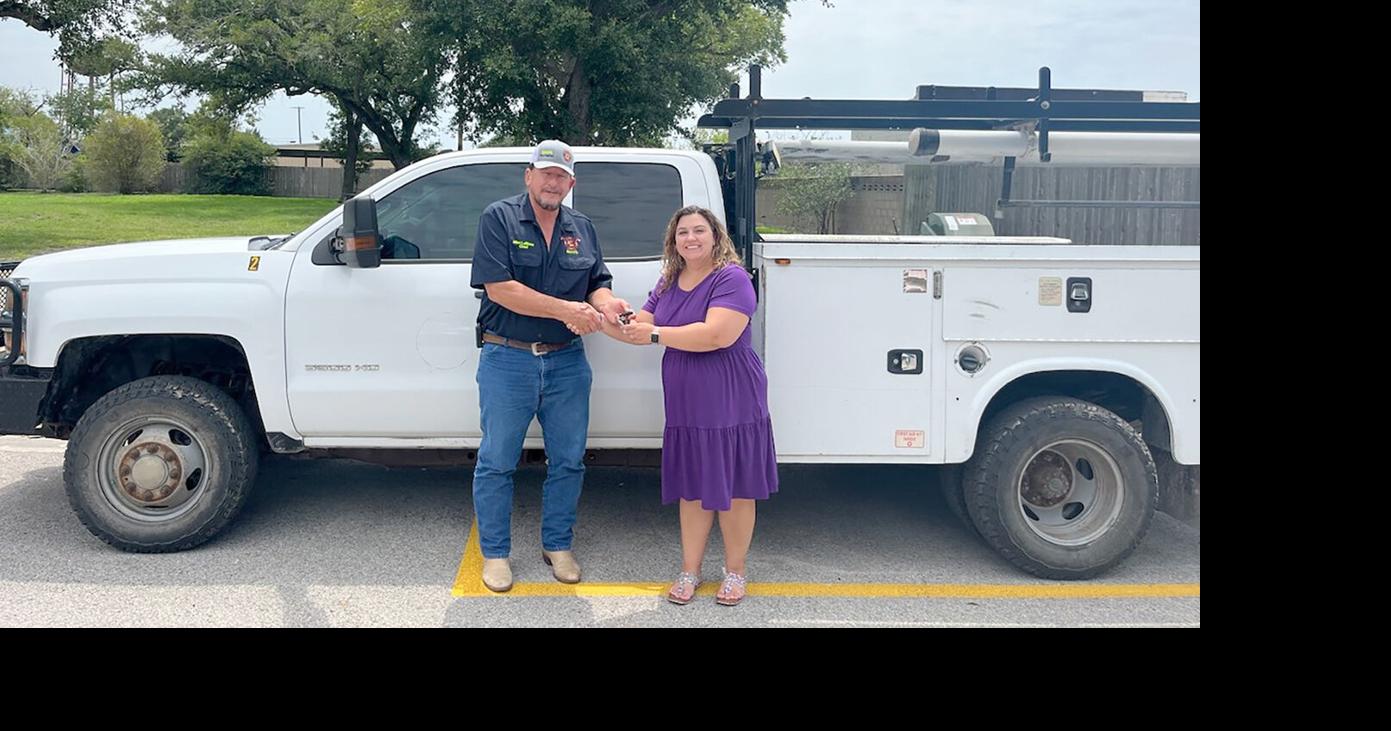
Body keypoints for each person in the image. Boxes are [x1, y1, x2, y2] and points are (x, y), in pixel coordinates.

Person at [469, 140, 631, 593]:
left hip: (567, 361)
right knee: (497, 462)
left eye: (561, 176)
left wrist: (608, 303)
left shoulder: (582, 227)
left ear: (571, 183)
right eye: (545, 174)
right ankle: (495, 554)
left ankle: (558, 545)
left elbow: (597, 282)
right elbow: (500, 288)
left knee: (569, 461)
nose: (552, 183)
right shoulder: (499, 218)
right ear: (529, 176)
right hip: (508, 358)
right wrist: (567, 310)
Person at [610, 205, 777, 606]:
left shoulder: (732, 278)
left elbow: (717, 335)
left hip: (730, 393)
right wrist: (597, 318)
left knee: (735, 488)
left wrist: (654, 334)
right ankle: (690, 570)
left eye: (699, 230)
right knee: (693, 487)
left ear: (716, 236)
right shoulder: (670, 279)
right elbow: (639, 328)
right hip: (686, 401)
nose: (691, 238)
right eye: (682, 232)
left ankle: (735, 572)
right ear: (674, 241)